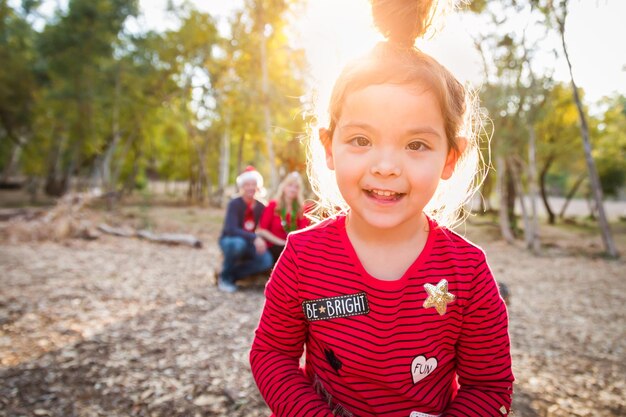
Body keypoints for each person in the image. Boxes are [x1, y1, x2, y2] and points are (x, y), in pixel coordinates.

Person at [250, 1, 514, 416]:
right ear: (328, 147)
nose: (386, 167)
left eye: (416, 145)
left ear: (450, 158)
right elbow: (272, 355)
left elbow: (489, 385)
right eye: (361, 140)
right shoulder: (304, 258)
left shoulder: (468, 271)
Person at [217, 166, 273, 293]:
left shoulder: (261, 206)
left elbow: (263, 227)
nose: (250, 188)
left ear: (258, 187)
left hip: (250, 242)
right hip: (230, 240)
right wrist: (255, 238)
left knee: (266, 260)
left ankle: (231, 275)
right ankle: (224, 279)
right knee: (238, 244)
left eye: (253, 184)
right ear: (242, 187)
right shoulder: (234, 204)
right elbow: (231, 229)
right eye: (247, 184)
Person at [256, 172, 310, 263]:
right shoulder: (273, 205)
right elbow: (262, 230)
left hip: (293, 246)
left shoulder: (301, 209)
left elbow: (303, 232)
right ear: (284, 187)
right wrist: (283, 243)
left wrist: (292, 244)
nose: (293, 189)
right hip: (275, 245)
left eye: (296, 187)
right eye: (290, 185)